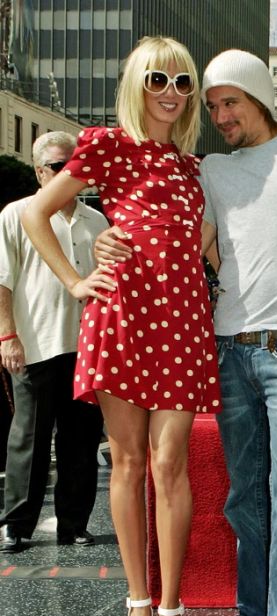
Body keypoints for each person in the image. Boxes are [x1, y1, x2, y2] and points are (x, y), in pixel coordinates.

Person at [97, 49, 277, 616]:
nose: (219, 114)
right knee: (244, 494)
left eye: (228, 100)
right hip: (229, 346)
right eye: (211, 106)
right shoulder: (212, 168)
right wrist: (110, 236)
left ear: (259, 95)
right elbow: (182, 236)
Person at [23, 37, 219, 616]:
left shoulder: (192, 167)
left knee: (171, 463)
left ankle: (172, 611)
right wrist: (77, 280)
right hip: (125, 315)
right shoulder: (108, 145)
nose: (172, 92)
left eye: (183, 82)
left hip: (184, 320)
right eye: (159, 78)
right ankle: (137, 607)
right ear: (137, 83)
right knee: (129, 462)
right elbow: (37, 214)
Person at [0, 132, 107, 553]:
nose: (72, 173)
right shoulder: (17, 214)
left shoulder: (97, 220)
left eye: (77, 165)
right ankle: (17, 525)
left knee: (81, 440)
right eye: (61, 166)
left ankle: (74, 524)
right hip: (35, 342)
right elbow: (2, 280)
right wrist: (7, 335)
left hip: (85, 348)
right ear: (40, 171)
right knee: (28, 437)